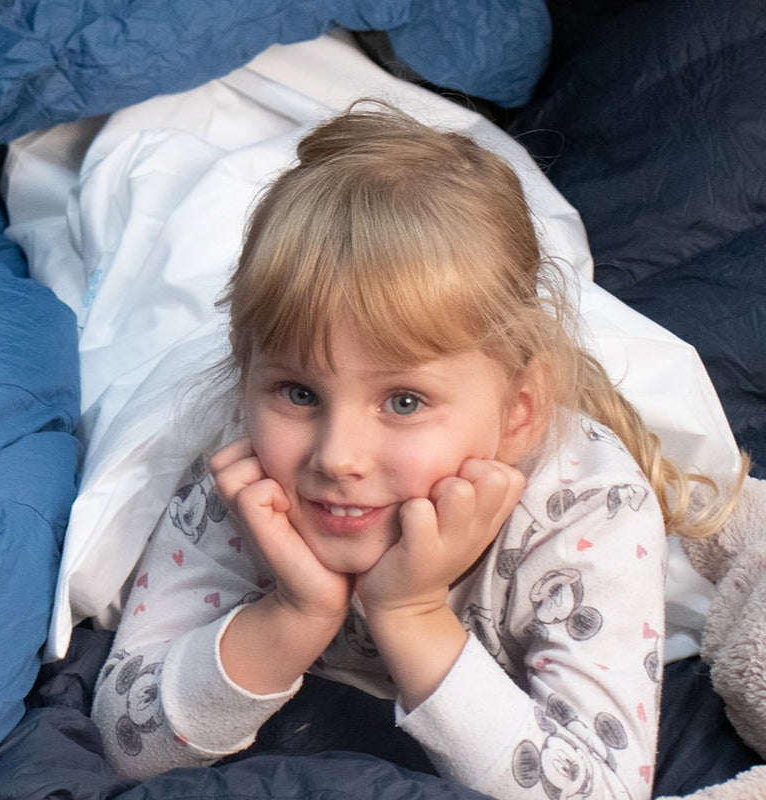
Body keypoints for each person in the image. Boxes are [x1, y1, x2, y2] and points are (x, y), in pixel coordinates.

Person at [91, 102, 743, 797]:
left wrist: (412, 614)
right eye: (298, 394)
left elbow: (600, 790)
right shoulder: (245, 484)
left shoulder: (588, 508)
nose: (337, 457)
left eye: (404, 402)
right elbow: (129, 743)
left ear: (518, 411)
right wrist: (294, 611)